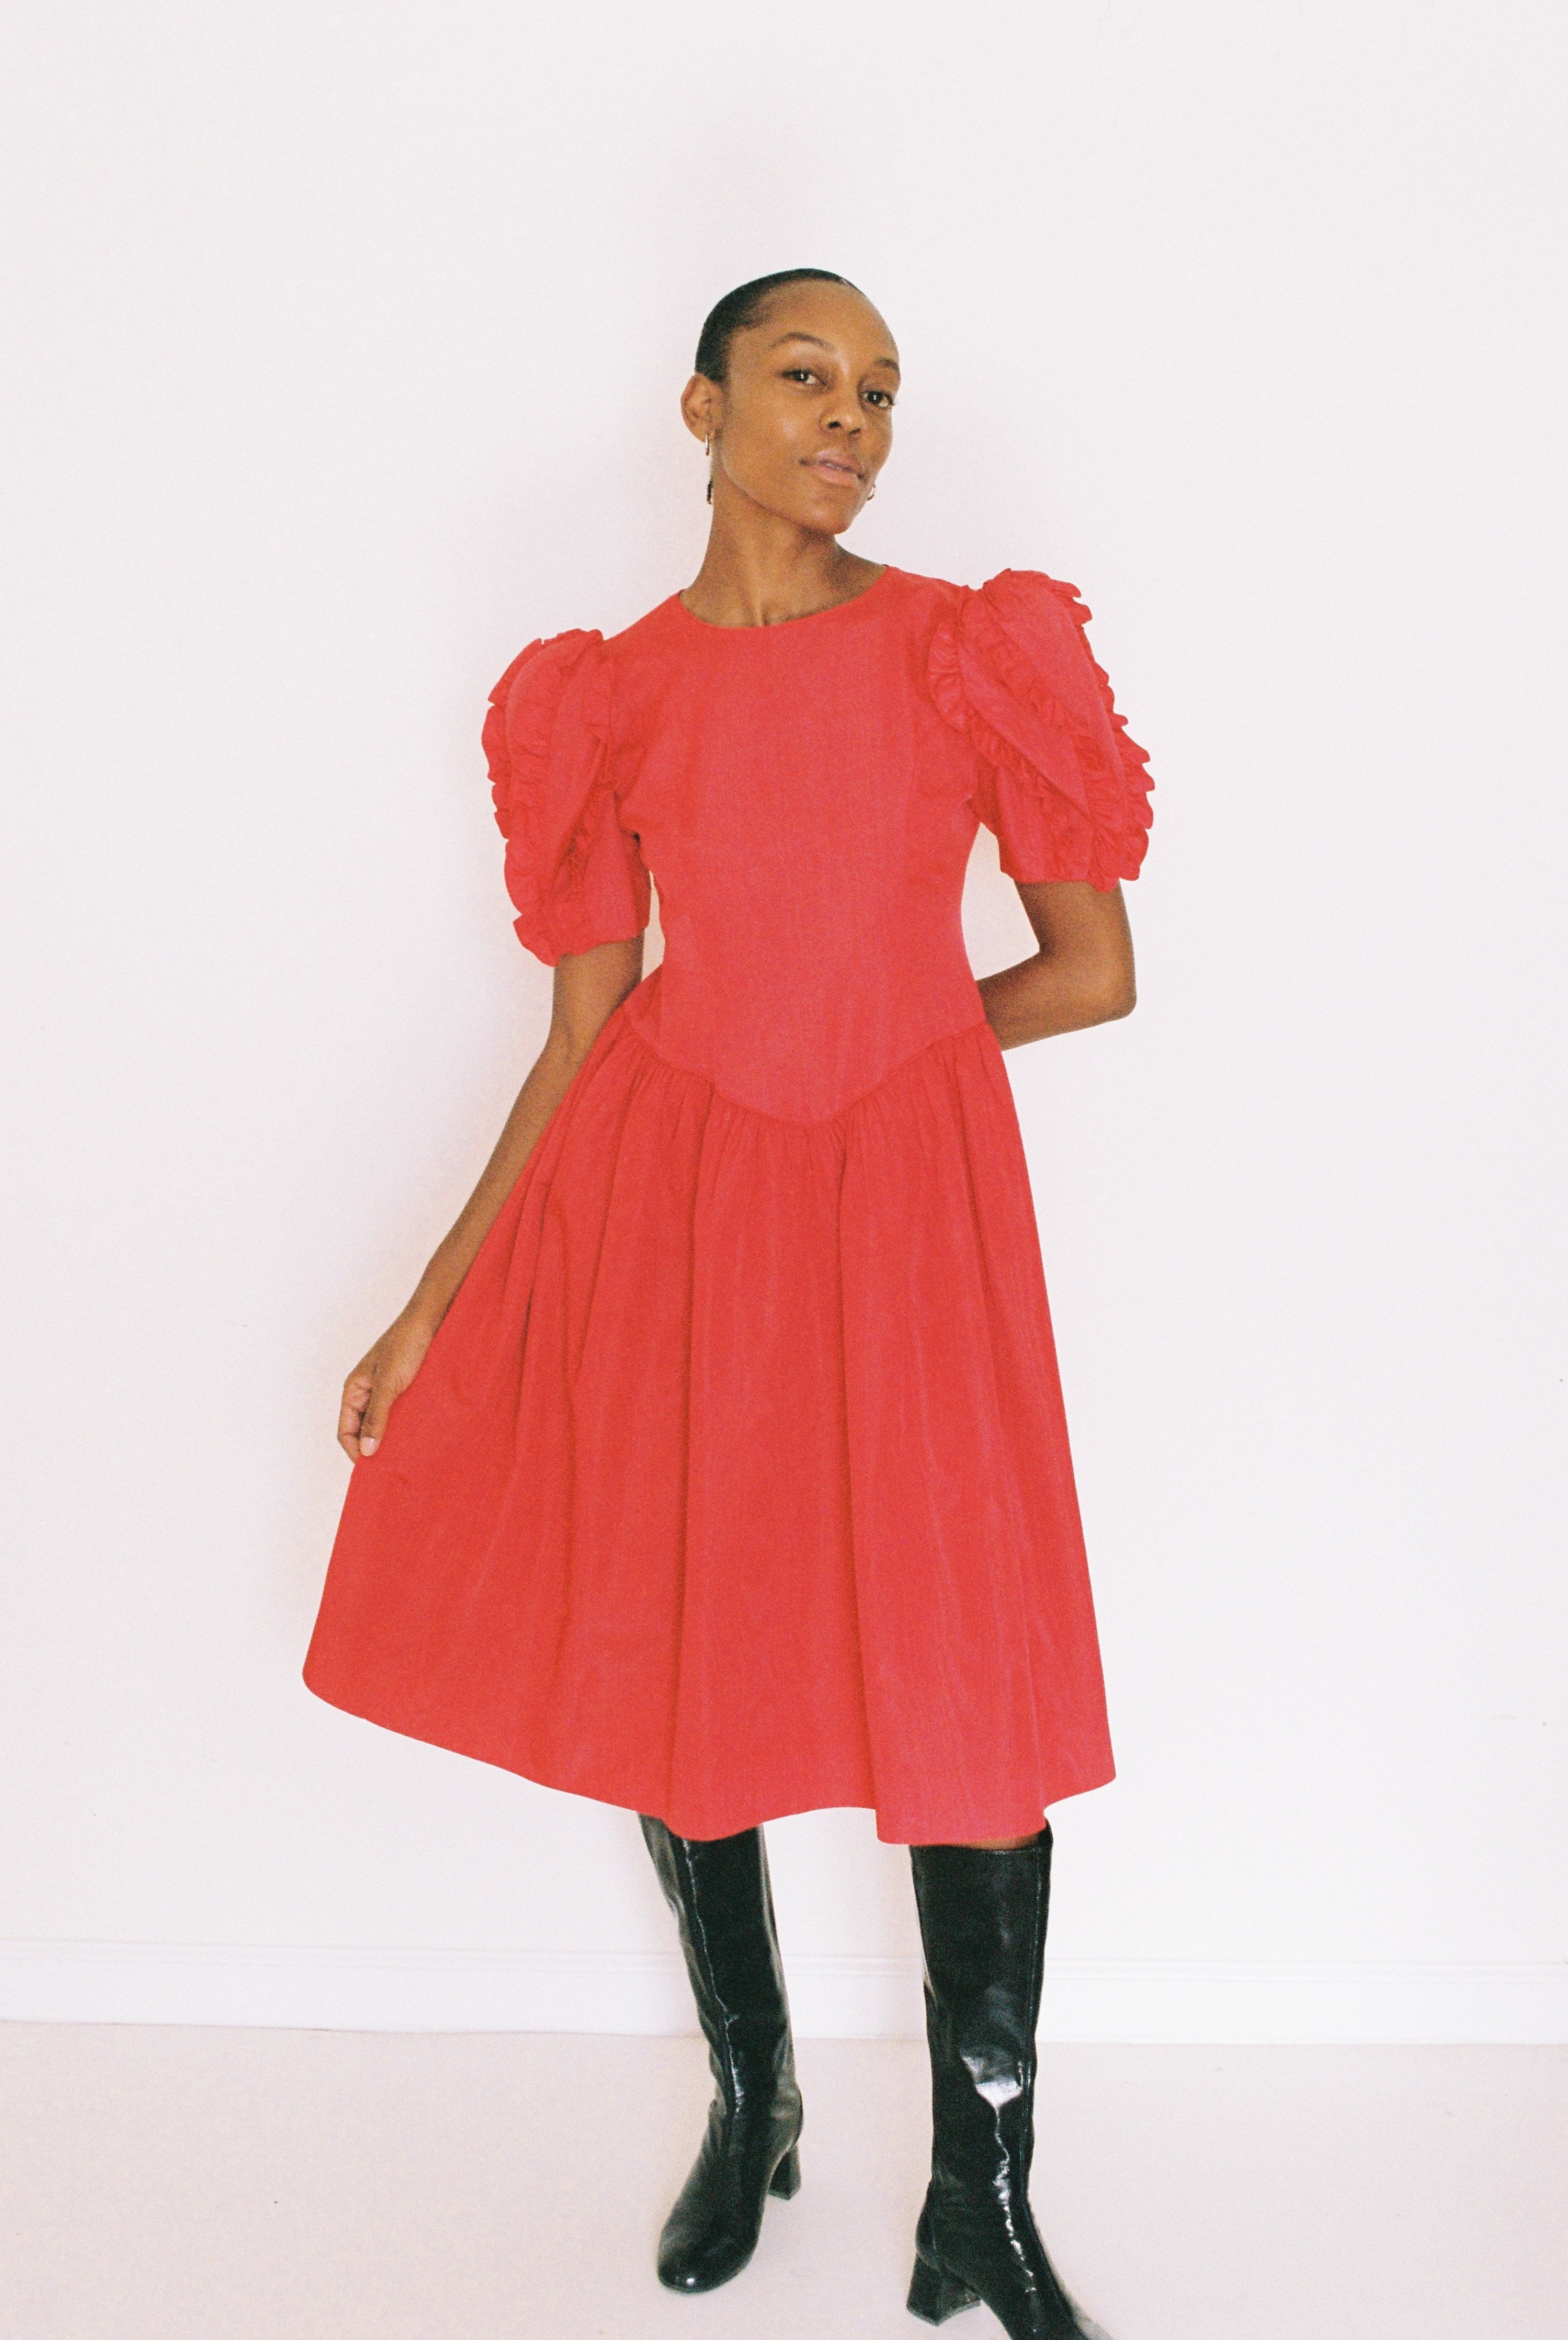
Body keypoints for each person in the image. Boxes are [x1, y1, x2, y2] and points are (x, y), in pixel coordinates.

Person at [302, 267, 1151, 2339]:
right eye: (804, 377)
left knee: (964, 1658)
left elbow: (1093, 967)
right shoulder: (615, 695)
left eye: (877, 390)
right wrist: (438, 1299)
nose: (851, 417)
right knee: (705, 1633)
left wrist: (901, 1048)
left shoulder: (966, 650)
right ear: (701, 409)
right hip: (682, 1201)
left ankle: (987, 2196)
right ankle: (752, 2092)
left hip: (913, 1205)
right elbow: (588, 1020)